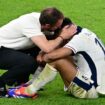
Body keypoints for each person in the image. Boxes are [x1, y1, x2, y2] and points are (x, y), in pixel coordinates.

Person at [8, 17, 105, 99]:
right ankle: (30, 85)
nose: (59, 38)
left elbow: (51, 57)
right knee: (59, 54)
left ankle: (29, 91)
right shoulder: (83, 32)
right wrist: (45, 52)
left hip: (90, 90)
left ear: (66, 30)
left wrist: (43, 56)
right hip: (93, 85)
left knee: (57, 59)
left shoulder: (79, 39)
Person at [0, 7, 77, 96]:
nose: (59, 27)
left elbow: (49, 45)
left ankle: (21, 83)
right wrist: (62, 36)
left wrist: (41, 53)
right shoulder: (29, 23)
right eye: (57, 26)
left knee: (39, 57)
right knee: (29, 62)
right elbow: (47, 48)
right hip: (1, 49)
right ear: (47, 25)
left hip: (11, 48)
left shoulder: (44, 22)